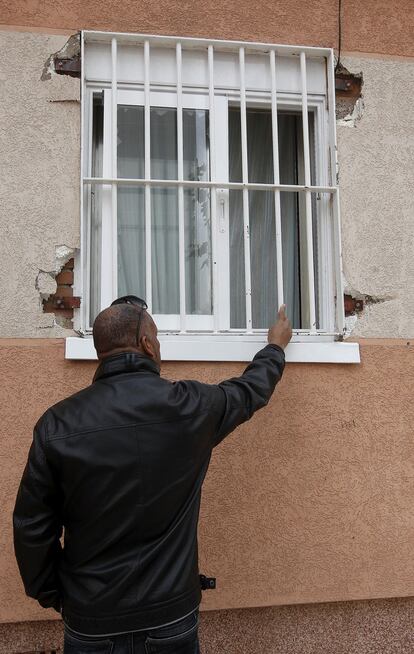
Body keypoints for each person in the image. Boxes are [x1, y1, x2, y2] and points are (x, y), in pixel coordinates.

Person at [13, 297, 292, 654]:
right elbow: (249, 391)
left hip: (91, 620)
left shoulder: (57, 424)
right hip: (171, 617)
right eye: (157, 338)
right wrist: (275, 347)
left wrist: (60, 596)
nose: (159, 346)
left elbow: (32, 527)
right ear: (146, 343)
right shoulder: (191, 406)